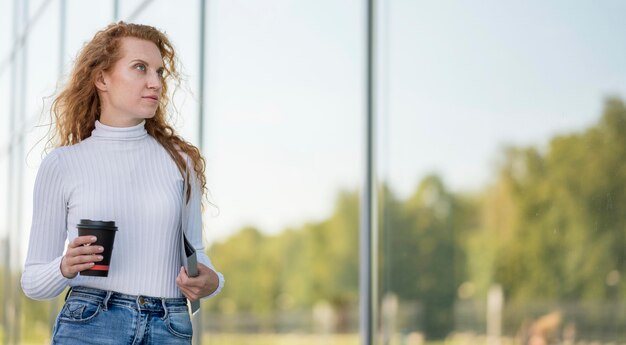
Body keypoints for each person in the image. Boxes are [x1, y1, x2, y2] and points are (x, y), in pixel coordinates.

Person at [21, 21, 224, 344]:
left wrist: (212, 281)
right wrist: (65, 266)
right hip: (90, 323)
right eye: (140, 68)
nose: (154, 82)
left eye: (159, 72)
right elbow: (32, 282)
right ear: (102, 78)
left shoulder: (179, 162)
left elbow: (196, 252)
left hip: (168, 325)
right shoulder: (62, 165)